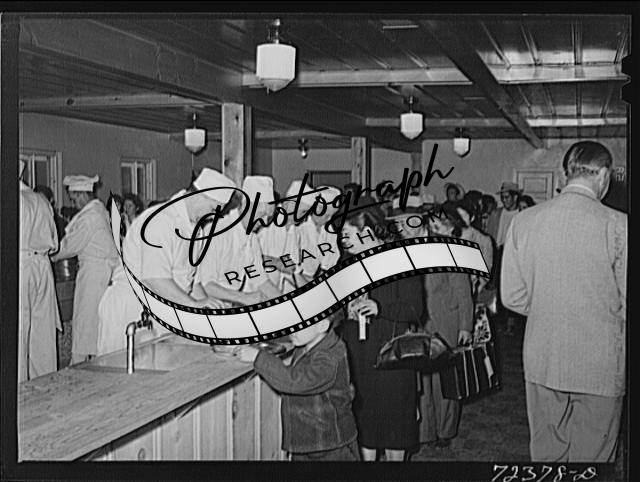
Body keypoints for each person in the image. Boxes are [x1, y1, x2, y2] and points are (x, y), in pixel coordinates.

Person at [501, 141, 627, 463]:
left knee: (547, 454)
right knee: (592, 458)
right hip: (600, 364)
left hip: (543, 357)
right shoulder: (620, 225)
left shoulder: (524, 221)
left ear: (565, 174)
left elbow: (511, 297)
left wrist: (547, 308)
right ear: (603, 175)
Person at [96, 168, 234, 356]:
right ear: (200, 195)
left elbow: (189, 283)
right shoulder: (160, 221)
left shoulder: (197, 230)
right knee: (119, 369)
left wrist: (210, 309)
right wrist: (195, 306)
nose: (214, 216)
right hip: (130, 307)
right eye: (213, 209)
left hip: (159, 308)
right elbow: (156, 279)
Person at [338, 205, 424, 461]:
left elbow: (415, 308)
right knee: (364, 419)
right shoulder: (346, 262)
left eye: (347, 235)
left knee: (395, 421)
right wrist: (344, 308)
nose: (343, 241)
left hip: (391, 355)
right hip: (358, 354)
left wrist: (380, 307)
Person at [236, 316, 359, 461]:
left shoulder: (330, 358)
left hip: (330, 444)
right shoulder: (309, 342)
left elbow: (294, 381)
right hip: (308, 441)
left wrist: (258, 357)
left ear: (322, 326)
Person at [419, 202, 474, 449]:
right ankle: (426, 431)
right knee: (424, 382)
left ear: (452, 227)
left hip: (448, 324)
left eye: (439, 225)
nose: (434, 229)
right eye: (431, 225)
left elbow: (464, 294)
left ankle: (445, 430)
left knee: (446, 382)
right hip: (424, 323)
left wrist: (465, 326)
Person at [51, 175, 119, 364]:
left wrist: (49, 254)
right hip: (99, 272)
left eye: (74, 199)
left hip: (94, 275)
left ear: (81, 195)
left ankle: (78, 365)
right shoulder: (98, 211)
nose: (74, 204)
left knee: (84, 321)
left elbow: (69, 245)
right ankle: (90, 363)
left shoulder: (90, 217)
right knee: (92, 323)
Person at [197, 175, 282, 307]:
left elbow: (259, 279)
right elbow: (207, 285)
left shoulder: (252, 239)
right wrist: (245, 298)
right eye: (262, 214)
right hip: (207, 306)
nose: (264, 222)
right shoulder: (217, 231)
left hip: (229, 305)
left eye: (268, 217)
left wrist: (286, 303)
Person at [19, 161, 62, 381]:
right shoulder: (40, 200)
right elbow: (55, 243)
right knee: (43, 334)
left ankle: (18, 390)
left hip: (21, 266)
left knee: (19, 334)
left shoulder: (13, 200)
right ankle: (47, 387)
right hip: (44, 268)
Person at [456, 198, 493, 297]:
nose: (460, 219)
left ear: (472, 218)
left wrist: (476, 290)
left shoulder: (484, 240)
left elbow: (486, 269)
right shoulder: (450, 235)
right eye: (457, 215)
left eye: (464, 216)